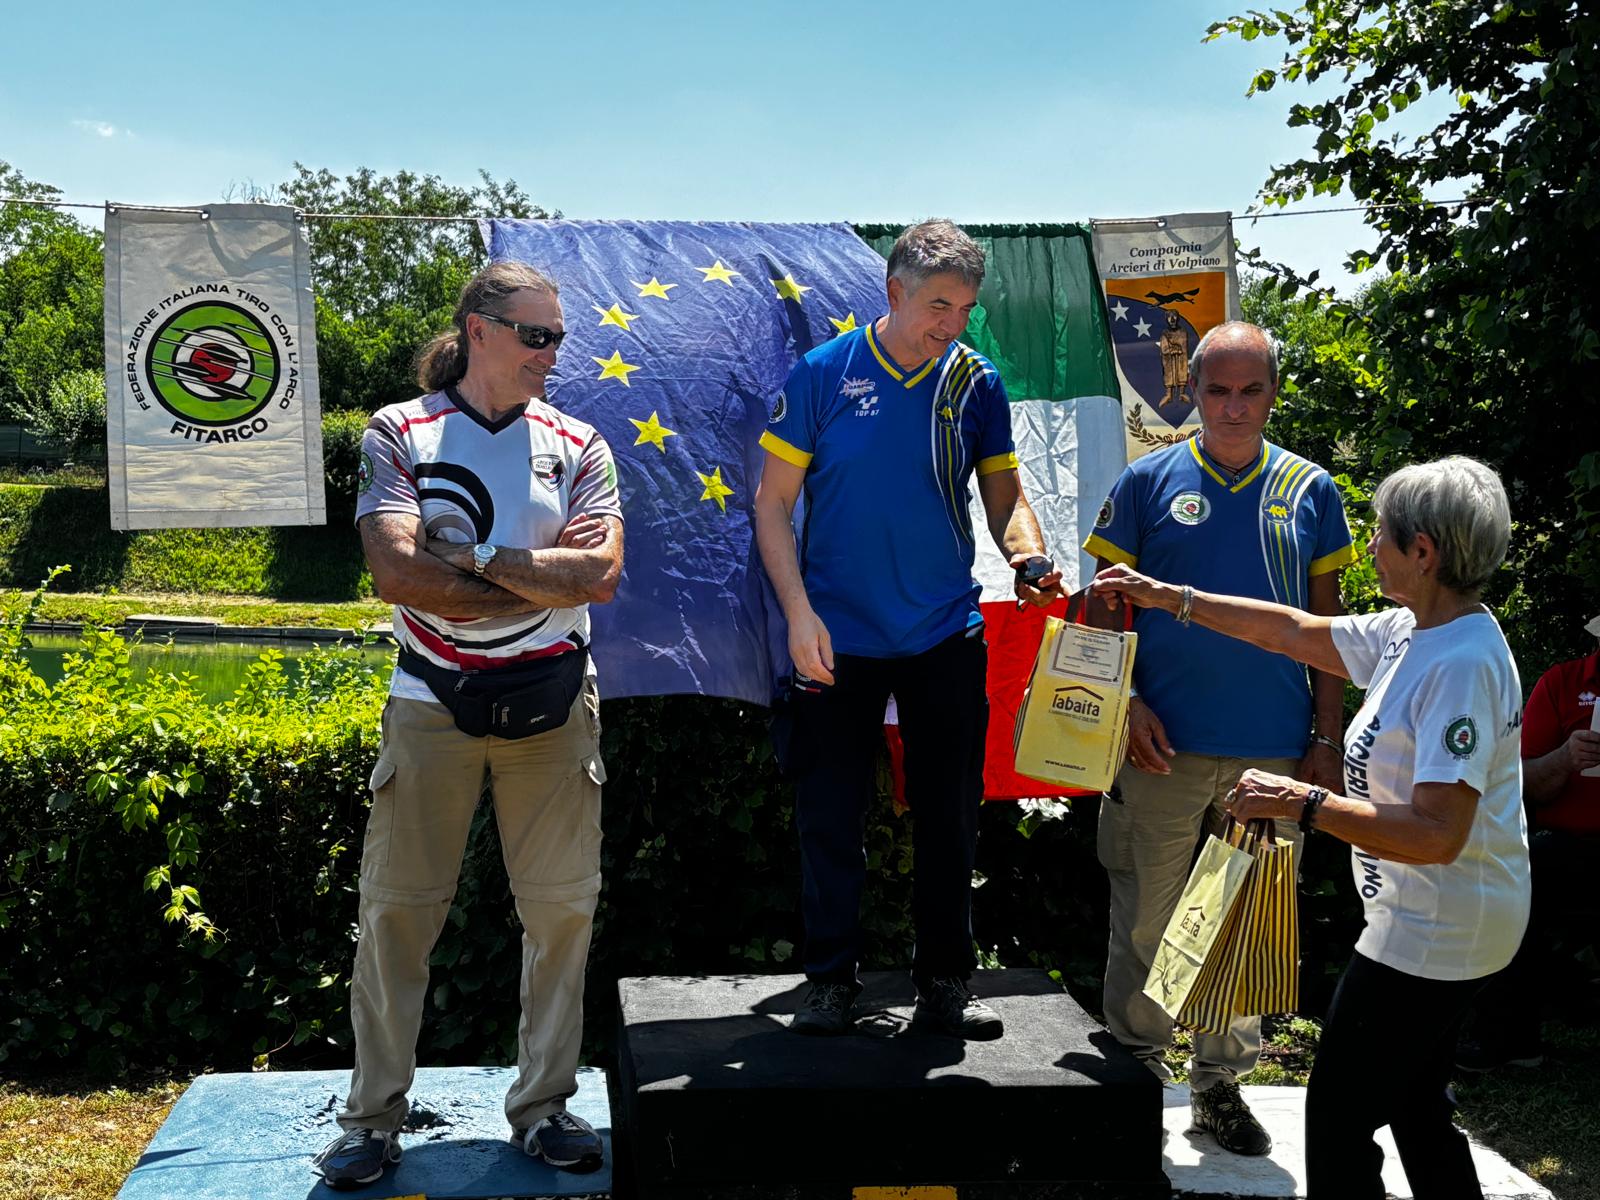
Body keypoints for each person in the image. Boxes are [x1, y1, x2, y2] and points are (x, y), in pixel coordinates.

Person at [1092, 455, 1531, 1200]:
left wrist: (1301, 803)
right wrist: (1171, 598)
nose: (1369, 547)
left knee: (1336, 1121)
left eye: (1382, 534)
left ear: (1424, 552)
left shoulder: (1459, 664)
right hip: (1441, 918)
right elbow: (1293, 629)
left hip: (1437, 930)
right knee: (1418, 1109)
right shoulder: (1415, 628)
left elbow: (1437, 834)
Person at [312, 262, 625, 1190]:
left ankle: (545, 1108)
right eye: (536, 335)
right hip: (429, 703)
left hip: (554, 703)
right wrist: (540, 574)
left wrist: (478, 556)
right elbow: (398, 575)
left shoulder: (580, 441)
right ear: (479, 330)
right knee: (396, 916)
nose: (552, 353)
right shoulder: (397, 431)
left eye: (558, 336)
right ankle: (372, 1120)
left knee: (561, 914)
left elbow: (601, 576)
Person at [753, 219, 1062, 1040]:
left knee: (951, 816)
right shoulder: (822, 373)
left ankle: (947, 981)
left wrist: (1028, 557)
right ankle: (829, 982)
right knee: (828, 816)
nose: (951, 325)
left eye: (964, 309)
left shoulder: (976, 383)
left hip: (942, 632)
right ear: (894, 292)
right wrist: (798, 615)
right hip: (834, 637)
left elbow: (1006, 497)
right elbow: (772, 504)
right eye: (937, 306)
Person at [1082, 321, 1354, 1155]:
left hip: (1272, 751)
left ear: (1273, 394)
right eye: (1218, 390)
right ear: (1191, 392)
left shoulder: (1310, 490)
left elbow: (1330, 627)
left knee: (1238, 922)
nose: (1233, 407)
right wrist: (1126, 702)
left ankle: (1218, 1084)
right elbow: (1101, 604)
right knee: (1149, 915)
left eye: (1251, 390)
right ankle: (1135, 1072)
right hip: (1160, 747)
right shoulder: (1146, 480)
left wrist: (1326, 736)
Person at [1457, 612, 1600, 1070]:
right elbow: (1520, 783)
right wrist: (1566, 758)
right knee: (1508, 870)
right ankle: (1508, 1038)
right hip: (1569, 846)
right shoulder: (1563, 683)